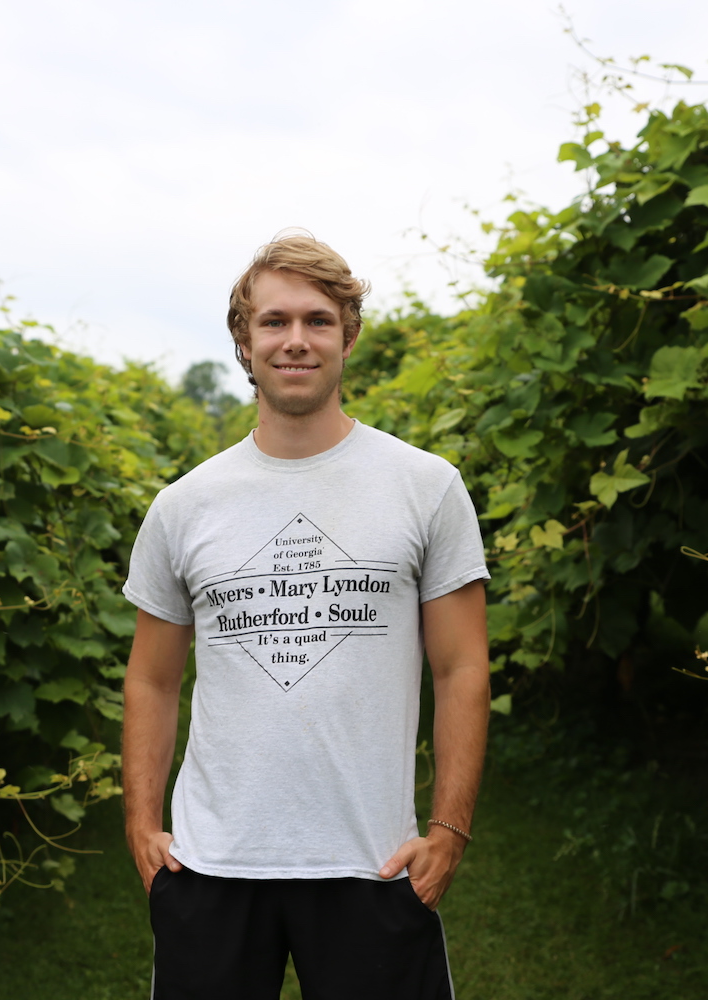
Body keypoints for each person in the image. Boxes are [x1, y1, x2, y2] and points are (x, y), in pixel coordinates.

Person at [121, 232, 491, 999]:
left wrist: (449, 832)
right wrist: (140, 824)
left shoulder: (427, 487)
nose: (296, 340)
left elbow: (462, 670)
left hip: (376, 864)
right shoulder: (185, 506)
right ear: (244, 341)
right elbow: (152, 682)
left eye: (319, 321)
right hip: (211, 865)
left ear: (348, 335)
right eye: (274, 321)